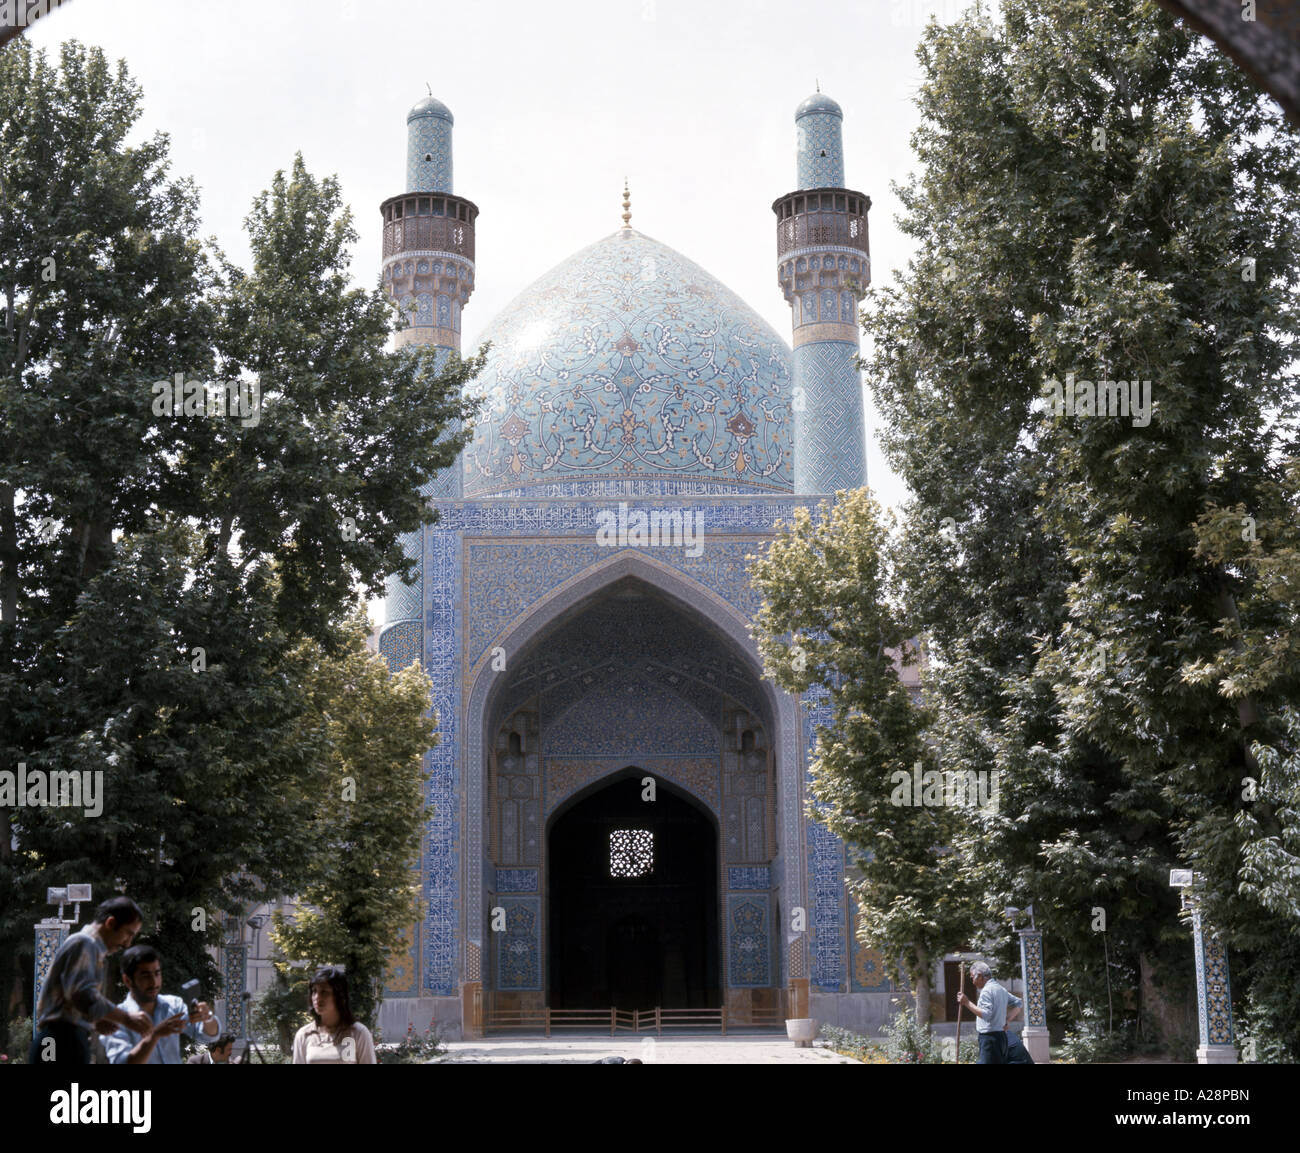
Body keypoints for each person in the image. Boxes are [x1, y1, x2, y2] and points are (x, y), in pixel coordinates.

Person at [29, 896, 154, 1065]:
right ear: (110, 923)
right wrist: (126, 1018)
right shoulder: (85, 943)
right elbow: (83, 994)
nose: (127, 944)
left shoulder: (91, 948)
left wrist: (96, 1020)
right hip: (61, 1040)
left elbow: (73, 1001)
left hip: (66, 1039)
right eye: (128, 934)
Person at [104, 945, 221, 1064]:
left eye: (157, 973)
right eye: (145, 976)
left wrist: (207, 1017)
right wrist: (155, 1035)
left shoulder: (174, 1005)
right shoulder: (117, 1018)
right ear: (127, 980)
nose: (154, 982)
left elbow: (209, 1036)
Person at [292, 965, 377, 1064]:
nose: (317, 997)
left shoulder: (358, 1033)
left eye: (324, 992)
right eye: (314, 991)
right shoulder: (303, 1035)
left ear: (339, 996)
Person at [955, 960, 1023, 1064]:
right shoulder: (1000, 989)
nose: (972, 981)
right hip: (1001, 1037)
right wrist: (1007, 1020)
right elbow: (1019, 1003)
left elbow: (986, 1014)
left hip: (990, 1039)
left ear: (980, 976)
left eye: (973, 977)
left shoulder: (987, 991)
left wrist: (967, 1002)